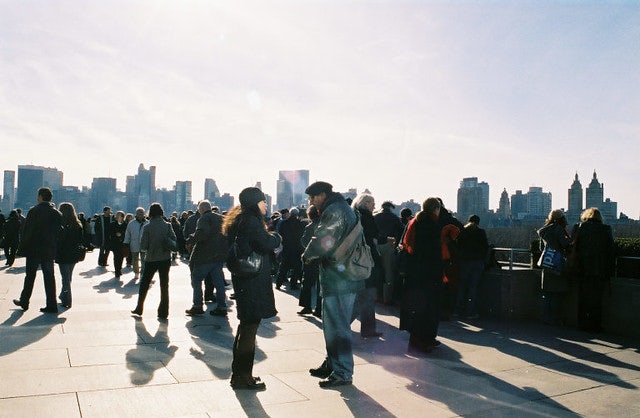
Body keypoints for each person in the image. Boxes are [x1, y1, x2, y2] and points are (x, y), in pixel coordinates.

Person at [302, 181, 364, 388]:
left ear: (323, 195)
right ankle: (332, 364)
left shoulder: (334, 211)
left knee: (336, 326)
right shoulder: (342, 208)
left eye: (313, 198)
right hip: (344, 274)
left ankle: (342, 373)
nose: (310, 202)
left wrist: (307, 256)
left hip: (339, 278)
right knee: (336, 324)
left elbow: (323, 240)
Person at [222, 187, 281, 390]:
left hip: (244, 279)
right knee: (249, 329)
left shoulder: (239, 220)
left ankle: (239, 374)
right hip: (253, 281)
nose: (266, 204)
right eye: (263, 201)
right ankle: (243, 377)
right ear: (255, 203)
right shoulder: (252, 221)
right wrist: (276, 237)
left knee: (245, 327)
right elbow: (265, 243)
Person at [400, 197, 444, 353]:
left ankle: (417, 339)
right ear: (435, 209)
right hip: (428, 275)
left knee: (418, 308)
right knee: (429, 309)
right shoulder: (431, 225)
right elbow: (434, 253)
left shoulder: (415, 222)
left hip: (415, 273)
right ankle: (424, 340)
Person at [13, 187, 63, 313]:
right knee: (49, 277)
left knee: (30, 276)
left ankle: (24, 301)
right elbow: (59, 233)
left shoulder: (34, 211)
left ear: (40, 196)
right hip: (49, 250)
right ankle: (52, 305)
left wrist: (21, 248)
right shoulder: (56, 213)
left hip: (34, 250)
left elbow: (27, 232)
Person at [571, 207, 614, 332]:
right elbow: (610, 251)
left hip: (582, 268)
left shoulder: (579, 227)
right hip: (599, 270)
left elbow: (573, 247)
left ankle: (582, 323)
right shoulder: (606, 229)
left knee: (583, 298)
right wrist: (610, 271)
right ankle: (595, 325)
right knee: (596, 300)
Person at [131, 203, 176, 320]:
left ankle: (139, 307)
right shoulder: (168, 225)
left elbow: (143, 246)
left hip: (151, 259)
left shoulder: (147, 227)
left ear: (150, 212)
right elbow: (174, 240)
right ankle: (163, 312)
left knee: (144, 283)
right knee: (164, 285)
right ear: (161, 212)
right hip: (165, 259)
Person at [185, 200, 228, 317]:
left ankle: (197, 306)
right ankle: (222, 306)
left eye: (199, 209)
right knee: (219, 283)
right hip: (218, 256)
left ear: (202, 209)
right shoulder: (221, 218)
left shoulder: (204, 218)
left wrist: (189, 240)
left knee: (196, 279)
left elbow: (201, 234)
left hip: (204, 256)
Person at [351, 193, 383, 338]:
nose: (374, 206)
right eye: (372, 202)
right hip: (367, 262)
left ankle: (369, 329)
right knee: (366, 295)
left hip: (358, 261)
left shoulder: (355, 215)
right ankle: (342, 325)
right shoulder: (366, 217)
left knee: (366, 295)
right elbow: (372, 236)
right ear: (366, 203)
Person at [537, 209, 572, 325]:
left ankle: (546, 317)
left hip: (547, 263)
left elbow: (541, 248)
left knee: (548, 293)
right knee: (557, 293)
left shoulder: (544, 230)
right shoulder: (558, 229)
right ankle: (556, 319)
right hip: (557, 264)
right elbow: (565, 244)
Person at [455, 214, 489, 320]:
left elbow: (458, 245)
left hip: (465, 262)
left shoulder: (463, 232)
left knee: (462, 286)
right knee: (473, 287)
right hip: (477, 262)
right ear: (478, 222)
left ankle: (458, 310)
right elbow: (485, 246)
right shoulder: (480, 232)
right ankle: (470, 311)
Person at [374, 201, 404, 304]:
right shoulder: (394, 217)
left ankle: (377, 296)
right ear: (390, 207)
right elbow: (402, 231)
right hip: (389, 245)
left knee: (377, 271)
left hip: (376, 245)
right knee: (388, 272)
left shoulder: (375, 216)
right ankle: (387, 298)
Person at [55, 202, 84, 309]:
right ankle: (63, 295)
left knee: (65, 278)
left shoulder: (59, 224)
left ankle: (68, 300)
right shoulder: (77, 224)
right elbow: (80, 240)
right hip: (74, 254)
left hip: (62, 254)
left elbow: (58, 240)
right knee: (68, 277)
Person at [298, 205, 322, 317]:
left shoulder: (309, 226)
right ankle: (319, 309)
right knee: (320, 285)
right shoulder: (325, 226)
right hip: (322, 259)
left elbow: (304, 242)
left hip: (310, 259)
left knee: (307, 282)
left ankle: (306, 306)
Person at [276, 207, 306, 291]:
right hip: (297, 248)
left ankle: (278, 284)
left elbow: (280, 234)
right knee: (296, 268)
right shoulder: (301, 224)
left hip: (286, 247)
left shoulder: (283, 223)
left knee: (283, 267)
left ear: (290, 213)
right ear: (297, 214)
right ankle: (293, 285)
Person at [123, 207, 147, 280]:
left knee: (144, 260)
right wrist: (126, 243)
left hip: (144, 244)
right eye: (139, 212)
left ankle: (142, 273)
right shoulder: (131, 223)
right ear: (136, 214)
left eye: (141, 212)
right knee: (135, 259)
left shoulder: (147, 223)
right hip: (134, 243)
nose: (140, 214)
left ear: (144, 214)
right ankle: (136, 272)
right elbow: (127, 234)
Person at [110, 211, 127, 278]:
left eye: (119, 215)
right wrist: (115, 234)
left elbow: (126, 233)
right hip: (115, 243)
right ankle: (117, 271)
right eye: (117, 215)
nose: (117, 216)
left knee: (121, 257)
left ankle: (119, 269)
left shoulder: (125, 224)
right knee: (116, 257)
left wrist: (121, 234)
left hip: (122, 243)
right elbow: (110, 232)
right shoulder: (112, 224)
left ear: (122, 217)